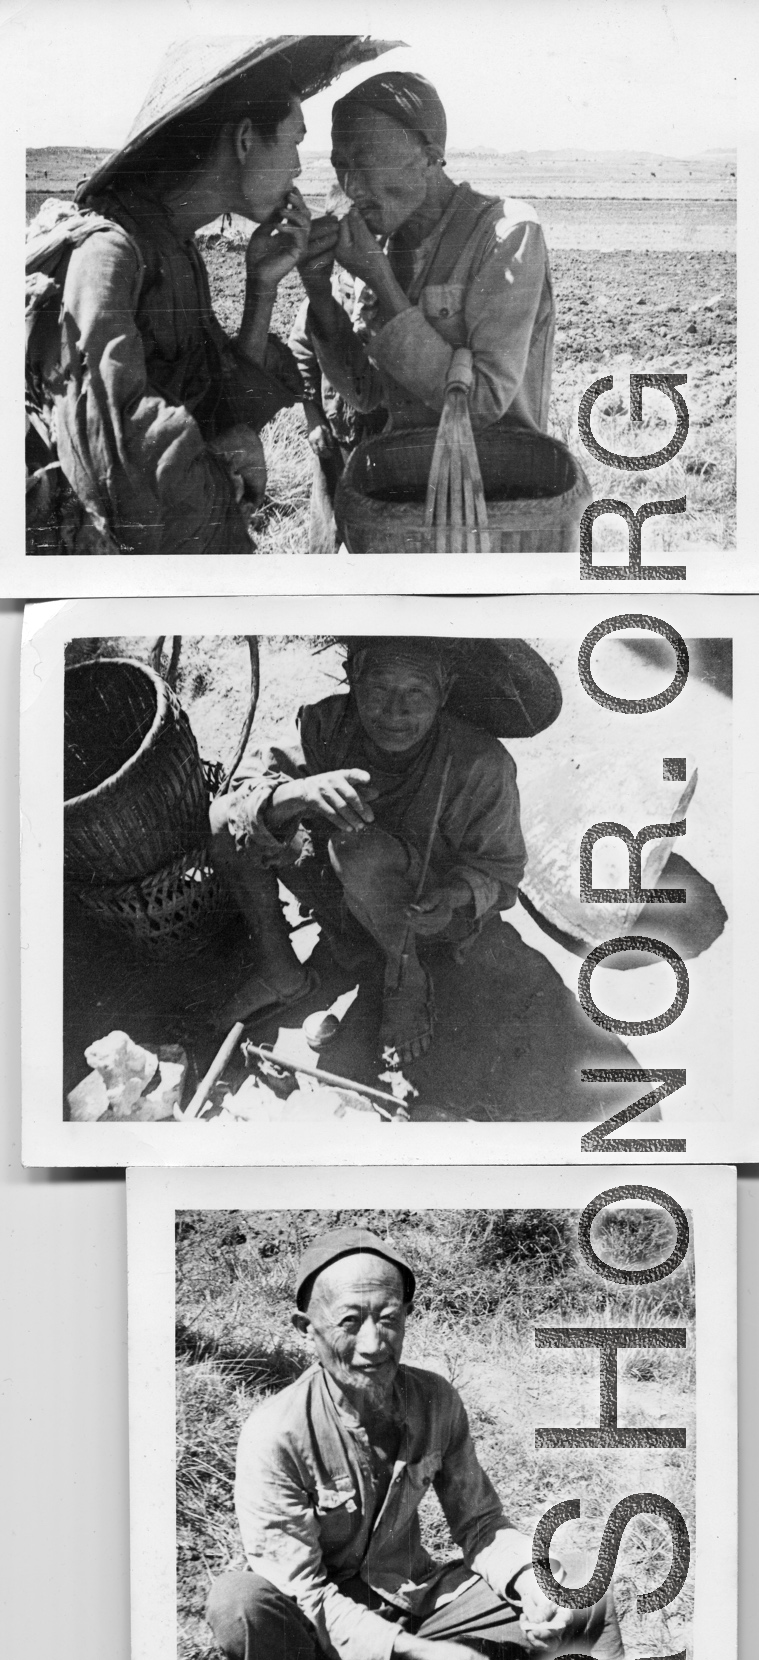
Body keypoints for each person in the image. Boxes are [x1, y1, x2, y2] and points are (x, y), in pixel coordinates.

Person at [206, 1229, 625, 1660]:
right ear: (307, 1331)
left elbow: (480, 1522)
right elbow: (303, 1594)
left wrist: (530, 1586)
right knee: (241, 1605)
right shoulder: (275, 1433)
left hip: (415, 1596)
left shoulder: (436, 1399)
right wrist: (416, 1654)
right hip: (320, 1625)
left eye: (390, 1318)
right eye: (350, 1322)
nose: (375, 1343)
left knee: (575, 1584)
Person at [24, 36, 385, 554]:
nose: (299, 169)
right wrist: (221, 470)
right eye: (293, 141)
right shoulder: (108, 254)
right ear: (244, 141)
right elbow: (117, 466)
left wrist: (261, 287)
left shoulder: (173, 248)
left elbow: (212, 408)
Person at [208, 638, 544, 1066]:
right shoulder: (325, 724)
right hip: (339, 895)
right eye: (379, 689)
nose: (395, 711)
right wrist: (301, 793)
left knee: (358, 848)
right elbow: (245, 796)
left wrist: (455, 897)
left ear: (445, 691)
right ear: (352, 678)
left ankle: (405, 978)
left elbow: (503, 873)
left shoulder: (480, 764)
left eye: (416, 692)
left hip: (421, 917)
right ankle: (281, 972)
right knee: (225, 819)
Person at [289, 71, 556, 549]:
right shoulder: (373, 243)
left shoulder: (507, 235)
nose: (350, 184)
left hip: (491, 507)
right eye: (339, 165)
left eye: (365, 161)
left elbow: (483, 402)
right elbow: (367, 395)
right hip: (405, 503)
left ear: (429, 156)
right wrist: (319, 294)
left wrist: (383, 282)